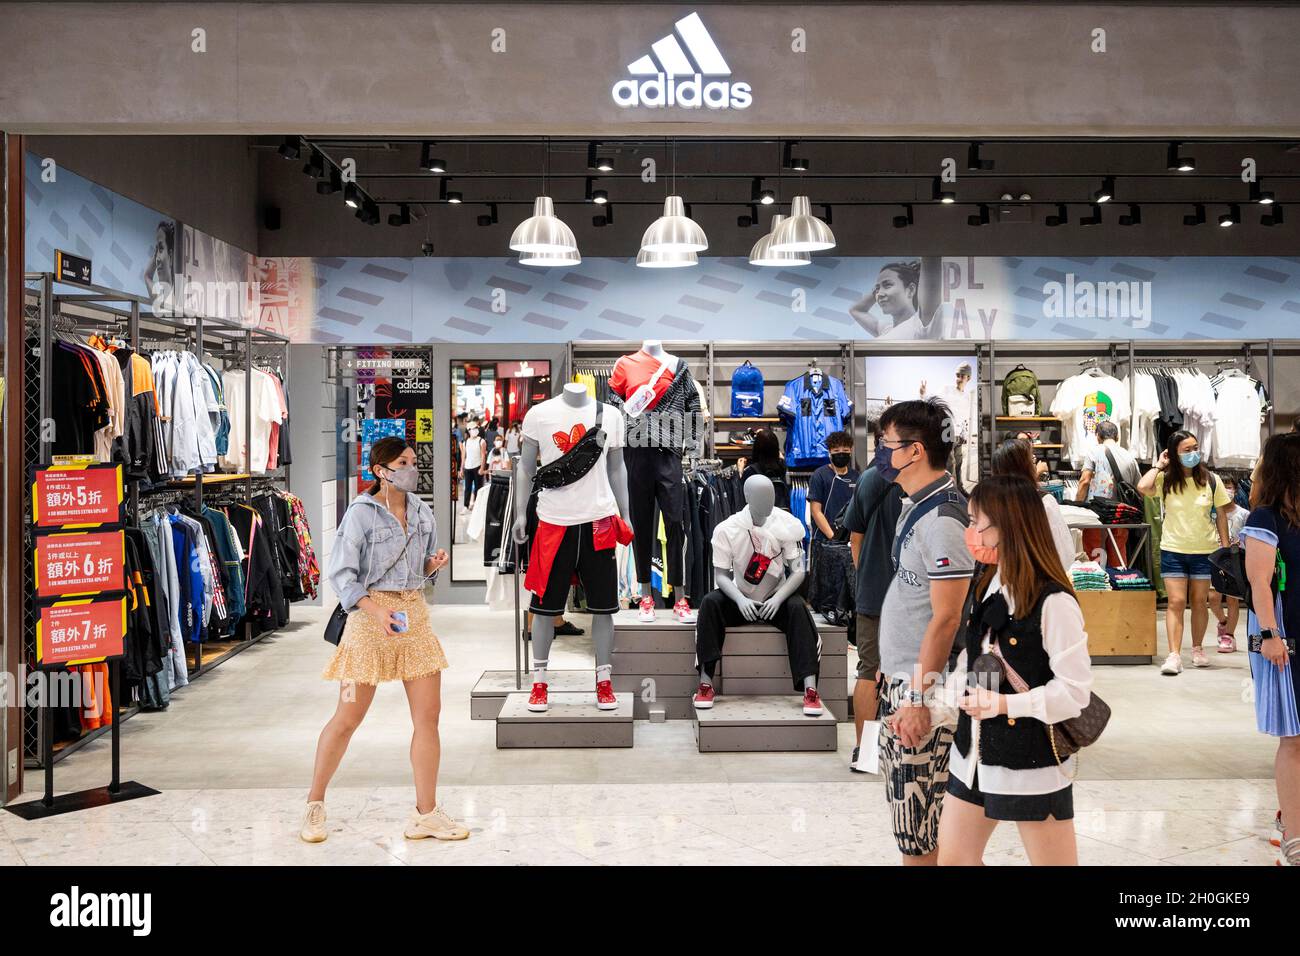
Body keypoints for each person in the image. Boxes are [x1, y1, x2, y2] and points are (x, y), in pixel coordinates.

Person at [303, 437, 465, 844]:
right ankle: (314, 803)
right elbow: (342, 576)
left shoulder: (422, 510)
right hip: (369, 622)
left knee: (428, 718)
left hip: (414, 617)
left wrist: (433, 563)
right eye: (402, 463)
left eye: (413, 461)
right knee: (347, 719)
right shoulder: (359, 514)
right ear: (380, 470)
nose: (411, 468)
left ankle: (425, 813)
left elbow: (420, 567)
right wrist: (377, 612)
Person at [938, 475, 1092, 866]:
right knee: (954, 859)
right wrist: (932, 706)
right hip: (972, 756)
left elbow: (1075, 693)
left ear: (1008, 527)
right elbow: (970, 662)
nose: (971, 533)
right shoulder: (989, 583)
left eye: (978, 524)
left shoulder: (1054, 602)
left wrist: (1006, 705)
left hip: (1031, 761)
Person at [875, 398, 975, 865]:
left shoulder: (943, 520)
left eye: (886, 444)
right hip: (905, 681)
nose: (880, 452)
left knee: (920, 833)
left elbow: (947, 618)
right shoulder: (916, 505)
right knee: (921, 831)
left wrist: (917, 698)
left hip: (927, 693)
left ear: (914, 451)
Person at [1240, 433, 1300, 867]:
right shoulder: (1266, 516)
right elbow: (1260, 582)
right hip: (1284, 638)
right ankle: (1295, 840)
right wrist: (1271, 635)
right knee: (1293, 739)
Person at [1137, 429, 1233, 675]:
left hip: (1205, 550)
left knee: (1200, 602)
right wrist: (1159, 465)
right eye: (1187, 450)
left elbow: (1222, 515)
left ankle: (1198, 649)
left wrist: (1225, 549)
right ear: (1174, 454)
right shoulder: (1165, 480)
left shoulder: (1212, 480)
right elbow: (1143, 486)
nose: (1193, 453)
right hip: (1173, 549)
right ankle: (1174, 655)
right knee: (1176, 602)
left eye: (1195, 448)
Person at [842, 434, 905, 772]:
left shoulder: (869, 477)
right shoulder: (928, 476)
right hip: (915, 594)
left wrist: (865, 575)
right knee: (915, 668)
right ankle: (901, 748)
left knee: (869, 668)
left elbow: (856, 538)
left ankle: (865, 751)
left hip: (875, 590)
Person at [990, 438, 1076, 572]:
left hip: (1001, 581)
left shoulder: (991, 504)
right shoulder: (1043, 502)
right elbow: (1063, 554)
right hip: (1038, 582)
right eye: (1032, 459)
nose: (1035, 462)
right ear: (1025, 467)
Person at [1075, 420, 1140, 566]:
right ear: (1117, 437)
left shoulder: (1094, 451)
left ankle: (1096, 583)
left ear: (1098, 436)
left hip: (1096, 513)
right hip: (1121, 512)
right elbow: (1138, 488)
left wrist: (1078, 506)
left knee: (1094, 550)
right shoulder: (1129, 457)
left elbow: (1084, 481)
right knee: (1118, 550)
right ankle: (1119, 583)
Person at [1209, 474, 1249, 653]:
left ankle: (1229, 636)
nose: (1226, 489)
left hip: (1234, 562)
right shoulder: (1211, 513)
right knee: (1213, 599)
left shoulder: (1243, 514)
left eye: (1229, 486)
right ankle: (1223, 622)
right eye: (1222, 486)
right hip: (1215, 559)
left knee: (1233, 600)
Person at [740, 428, 790, 510]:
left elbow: (742, 495)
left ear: (756, 448)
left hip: (760, 517)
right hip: (780, 514)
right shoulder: (782, 467)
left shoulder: (751, 471)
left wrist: (740, 471)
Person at [460, 420, 487, 509]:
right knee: (467, 488)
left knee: (478, 488)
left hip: (477, 466)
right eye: (473, 428)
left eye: (476, 428)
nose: (475, 430)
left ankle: (476, 504)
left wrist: (482, 468)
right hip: (468, 467)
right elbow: (463, 456)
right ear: (469, 430)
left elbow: (483, 456)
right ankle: (466, 505)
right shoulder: (466, 442)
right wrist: (461, 469)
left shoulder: (481, 441)